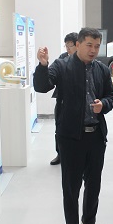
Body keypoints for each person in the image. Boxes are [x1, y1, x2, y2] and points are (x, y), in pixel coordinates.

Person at [33, 28, 113, 224]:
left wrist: (103, 105)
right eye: (89, 45)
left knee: (94, 182)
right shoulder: (62, 66)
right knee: (71, 187)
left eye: (97, 46)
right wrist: (42, 65)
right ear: (78, 45)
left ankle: (89, 220)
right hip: (71, 137)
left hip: (96, 135)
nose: (93, 50)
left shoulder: (101, 69)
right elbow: (42, 86)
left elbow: (111, 95)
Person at [50, 32, 78, 165]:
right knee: (59, 127)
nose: (68, 49)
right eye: (66, 46)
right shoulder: (62, 59)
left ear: (78, 45)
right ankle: (60, 154)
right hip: (62, 100)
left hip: (77, 101)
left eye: (70, 46)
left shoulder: (84, 61)